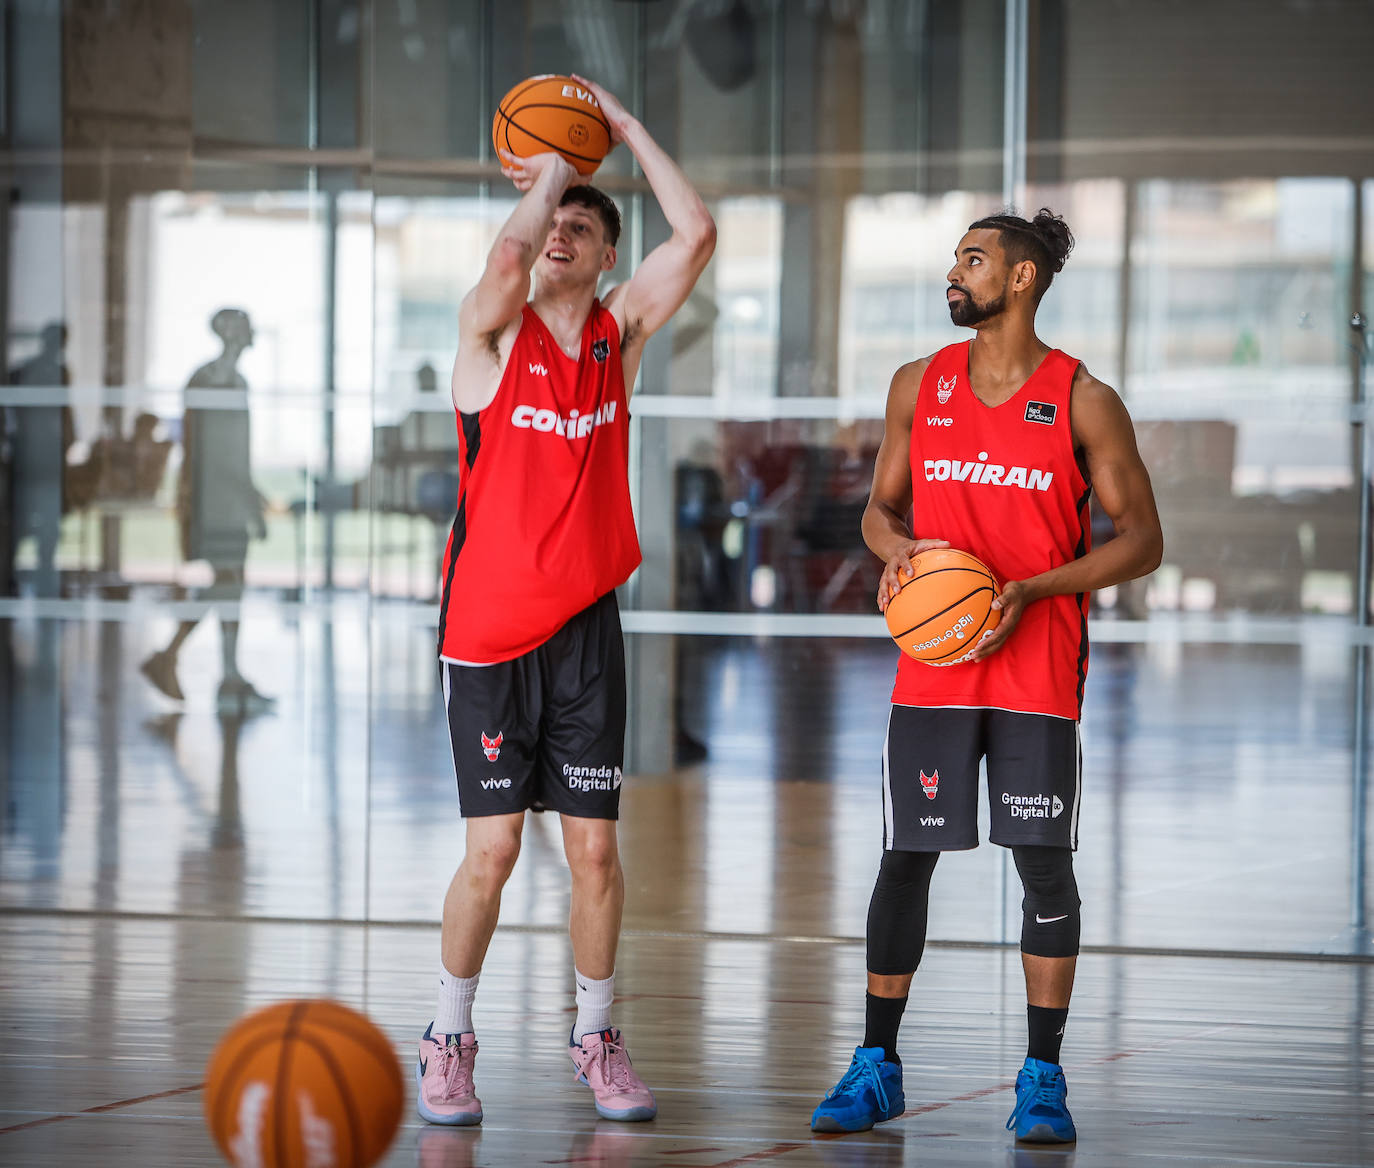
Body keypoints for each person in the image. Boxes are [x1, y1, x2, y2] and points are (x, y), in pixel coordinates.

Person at [810, 209, 1163, 1144]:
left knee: (1044, 868)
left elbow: (1145, 543)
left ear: (1021, 279)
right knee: (905, 859)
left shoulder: (1082, 399)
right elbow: (881, 513)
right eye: (955, 257)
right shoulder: (916, 386)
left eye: (973, 257)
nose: (953, 271)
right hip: (930, 669)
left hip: (1036, 667)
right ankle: (877, 1064)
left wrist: (1036, 587)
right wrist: (895, 555)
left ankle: (1042, 1077)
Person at [418, 75, 715, 1127]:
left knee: (593, 848)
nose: (558, 233)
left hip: (586, 629)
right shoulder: (488, 344)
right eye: (553, 219)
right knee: (493, 852)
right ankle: (449, 1035)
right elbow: (502, 260)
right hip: (489, 634)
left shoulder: (617, 340)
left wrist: (623, 128)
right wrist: (552, 170)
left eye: (582, 225)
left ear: (601, 256)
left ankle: (596, 1032)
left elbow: (698, 230)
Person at [140, 308, 273, 716]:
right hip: (212, 496)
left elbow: (240, 450)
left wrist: (250, 496)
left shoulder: (237, 382)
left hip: (230, 497)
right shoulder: (205, 380)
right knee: (226, 582)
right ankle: (178, 657)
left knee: (230, 584)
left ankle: (221, 671)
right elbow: (204, 449)